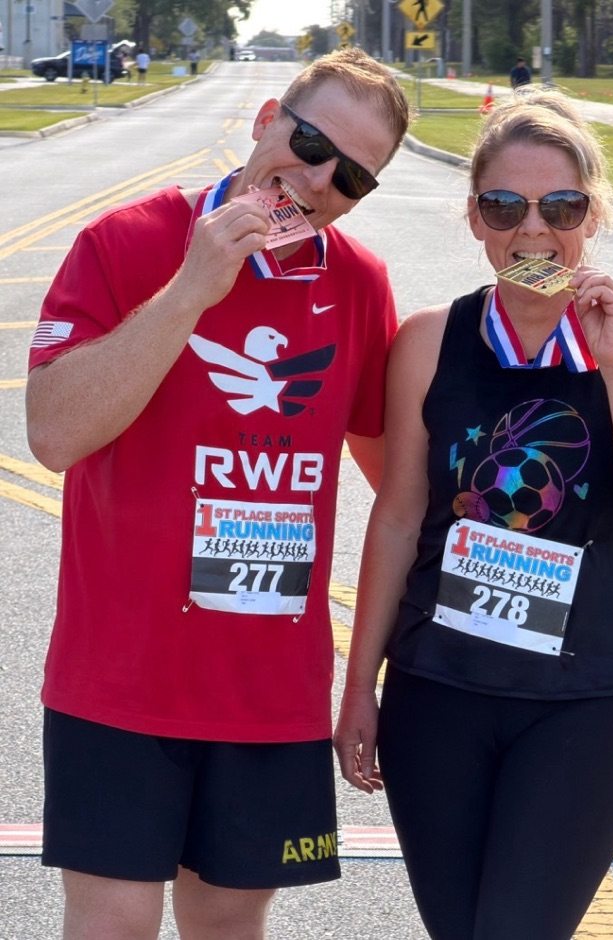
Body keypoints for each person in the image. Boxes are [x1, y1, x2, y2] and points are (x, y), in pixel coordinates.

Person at [26, 48, 409, 940]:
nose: (314, 180)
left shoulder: (358, 285)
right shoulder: (124, 243)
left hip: (267, 693)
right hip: (116, 682)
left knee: (231, 928)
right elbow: (53, 434)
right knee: (112, 925)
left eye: (350, 176)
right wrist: (191, 292)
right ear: (267, 115)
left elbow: (399, 488)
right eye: (309, 143)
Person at [334, 87, 613, 940]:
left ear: (594, 212)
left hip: (584, 704)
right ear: (474, 218)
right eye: (505, 206)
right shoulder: (431, 340)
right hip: (439, 698)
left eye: (561, 206)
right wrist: (360, 687)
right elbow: (397, 518)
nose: (532, 231)